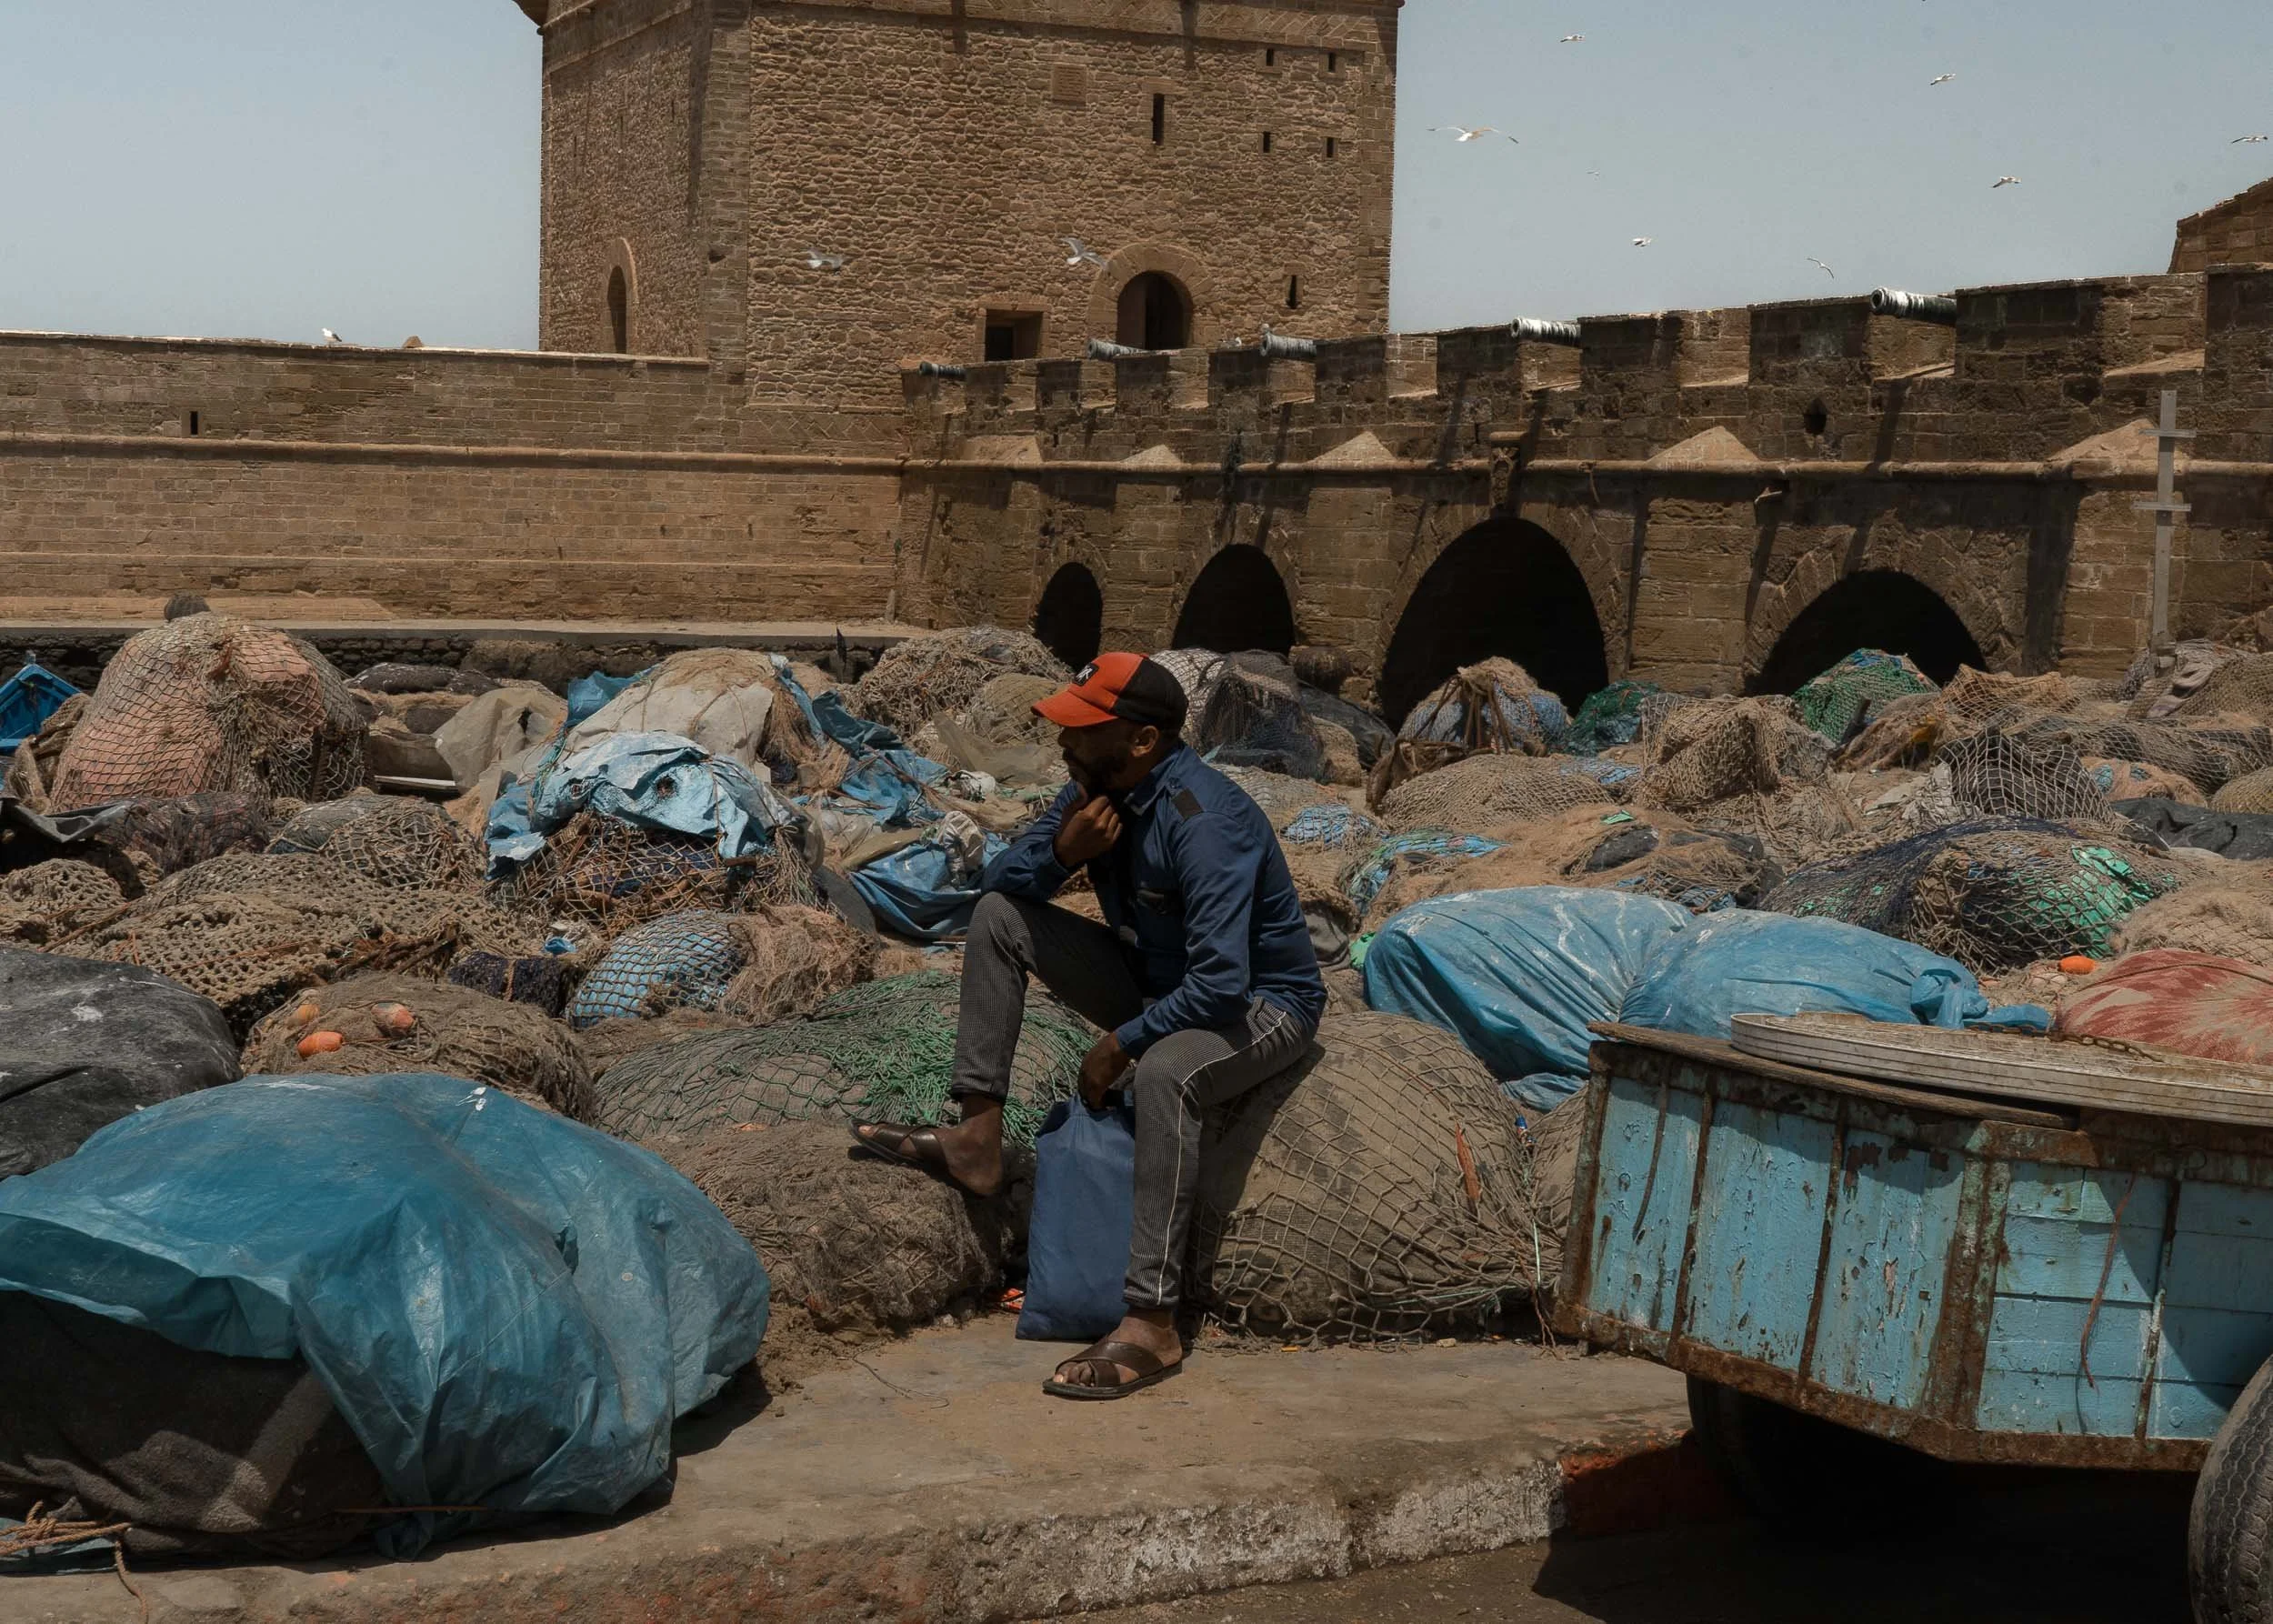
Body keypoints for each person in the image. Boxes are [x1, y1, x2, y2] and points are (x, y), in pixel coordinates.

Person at [854, 652, 1326, 1399]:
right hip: (1157, 981)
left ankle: (1152, 1323)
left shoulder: (1207, 823)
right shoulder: (1094, 790)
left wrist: (1121, 1044)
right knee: (1001, 918)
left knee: (1167, 1072)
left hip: (1260, 1005)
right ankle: (976, 1139)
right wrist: (1063, 855)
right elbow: (1003, 884)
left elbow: (1221, 985)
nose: (1065, 746)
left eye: (1083, 731)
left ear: (1141, 740)